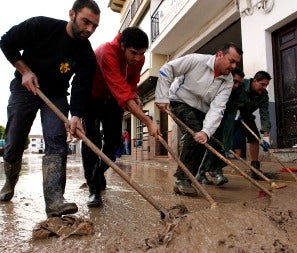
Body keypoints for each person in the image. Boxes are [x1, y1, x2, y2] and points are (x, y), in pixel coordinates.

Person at [0, 0, 101, 218]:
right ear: (72, 14)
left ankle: (55, 200)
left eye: (94, 26)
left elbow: (81, 85)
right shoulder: (40, 26)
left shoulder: (85, 53)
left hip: (55, 95)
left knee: (56, 138)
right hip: (25, 88)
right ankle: (9, 181)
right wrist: (24, 70)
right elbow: (6, 42)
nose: (89, 30)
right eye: (86, 22)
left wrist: (75, 115)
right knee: (14, 141)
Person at [81, 27, 160, 207]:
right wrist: (148, 121)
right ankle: (93, 188)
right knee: (92, 140)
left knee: (114, 142)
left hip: (112, 102)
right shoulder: (106, 52)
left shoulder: (139, 58)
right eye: (133, 53)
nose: (137, 58)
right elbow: (122, 93)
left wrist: (136, 94)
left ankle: (98, 173)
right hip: (92, 98)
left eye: (141, 54)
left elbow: (131, 84)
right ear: (122, 46)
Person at [155, 43, 242, 196]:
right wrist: (162, 96)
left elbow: (218, 108)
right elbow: (167, 69)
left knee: (203, 138)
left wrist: (206, 131)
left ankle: (187, 178)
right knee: (194, 131)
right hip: (179, 101)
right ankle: (182, 179)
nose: (234, 66)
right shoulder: (196, 60)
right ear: (220, 55)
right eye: (231, 61)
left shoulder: (227, 81)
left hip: (202, 110)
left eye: (237, 63)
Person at [196, 67, 245, 185]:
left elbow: (231, 110)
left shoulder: (237, 92)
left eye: (239, 83)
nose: (236, 85)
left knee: (223, 146)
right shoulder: (216, 85)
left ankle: (216, 171)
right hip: (209, 120)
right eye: (235, 81)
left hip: (224, 120)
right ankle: (202, 173)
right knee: (211, 146)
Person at [222, 70, 272, 179]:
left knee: (254, 139)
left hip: (247, 115)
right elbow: (226, 96)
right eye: (262, 84)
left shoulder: (264, 95)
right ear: (254, 81)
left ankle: (255, 168)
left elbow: (264, 114)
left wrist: (266, 136)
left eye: (266, 85)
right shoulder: (240, 83)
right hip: (231, 112)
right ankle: (215, 167)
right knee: (223, 139)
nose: (264, 87)